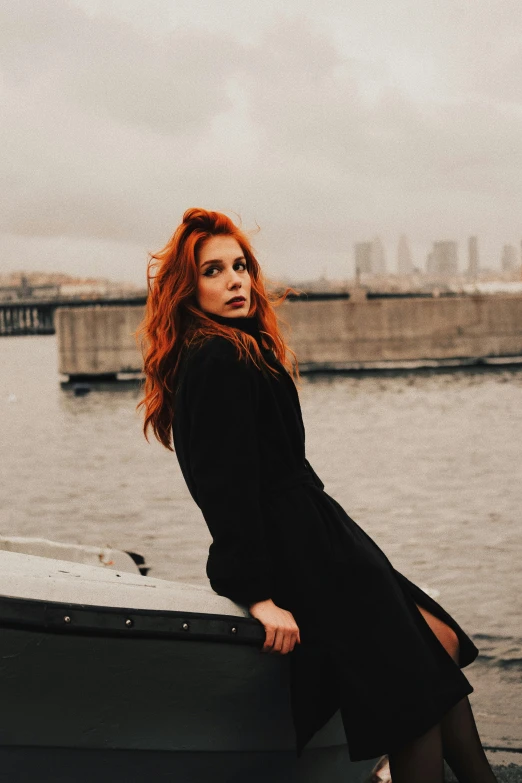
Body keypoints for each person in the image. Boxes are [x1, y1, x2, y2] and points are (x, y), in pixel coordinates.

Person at [136, 207, 498, 782]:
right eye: (213, 271)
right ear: (186, 288)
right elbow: (223, 487)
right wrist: (256, 594)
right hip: (305, 554)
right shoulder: (216, 358)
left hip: (325, 535)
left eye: (241, 266)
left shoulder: (239, 347)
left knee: (439, 646)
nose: (235, 281)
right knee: (414, 703)